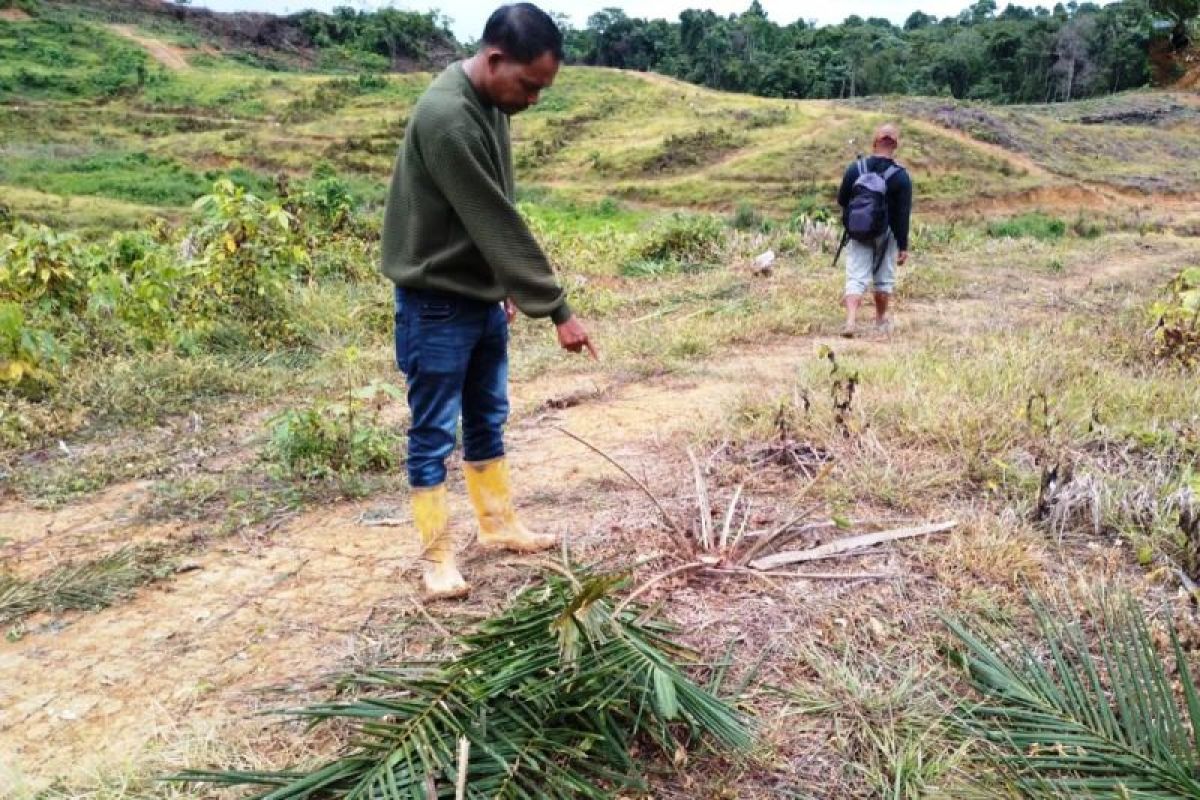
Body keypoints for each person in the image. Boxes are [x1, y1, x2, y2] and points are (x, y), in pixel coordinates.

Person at [380, 3, 596, 599]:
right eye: (529, 85)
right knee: (433, 431)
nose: (533, 99)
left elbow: (487, 214)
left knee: (487, 416)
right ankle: (437, 556)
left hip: (477, 296)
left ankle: (499, 525)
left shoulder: (491, 102)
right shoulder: (449, 118)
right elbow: (496, 220)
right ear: (495, 59)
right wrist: (558, 309)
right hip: (436, 302)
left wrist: (500, 287)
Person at [836, 123, 913, 337]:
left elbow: (842, 200)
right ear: (895, 145)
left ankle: (851, 321)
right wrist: (903, 245)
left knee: (855, 276)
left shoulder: (855, 169)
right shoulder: (901, 176)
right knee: (883, 278)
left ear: (874, 143)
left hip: (857, 231)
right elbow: (902, 214)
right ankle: (879, 321)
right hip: (885, 234)